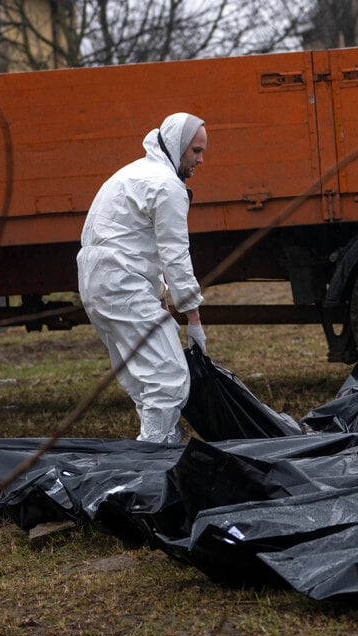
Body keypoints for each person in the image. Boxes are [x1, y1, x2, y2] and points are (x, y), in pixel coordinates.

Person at [77, 112, 208, 443]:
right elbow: (175, 254)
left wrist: (159, 295)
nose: (201, 160)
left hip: (98, 283)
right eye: (195, 151)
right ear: (178, 146)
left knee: (145, 379)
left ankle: (163, 442)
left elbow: (131, 241)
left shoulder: (135, 172)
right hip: (121, 284)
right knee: (167, 378)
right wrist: (193, 318)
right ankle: (153, 459)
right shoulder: (167, 186)